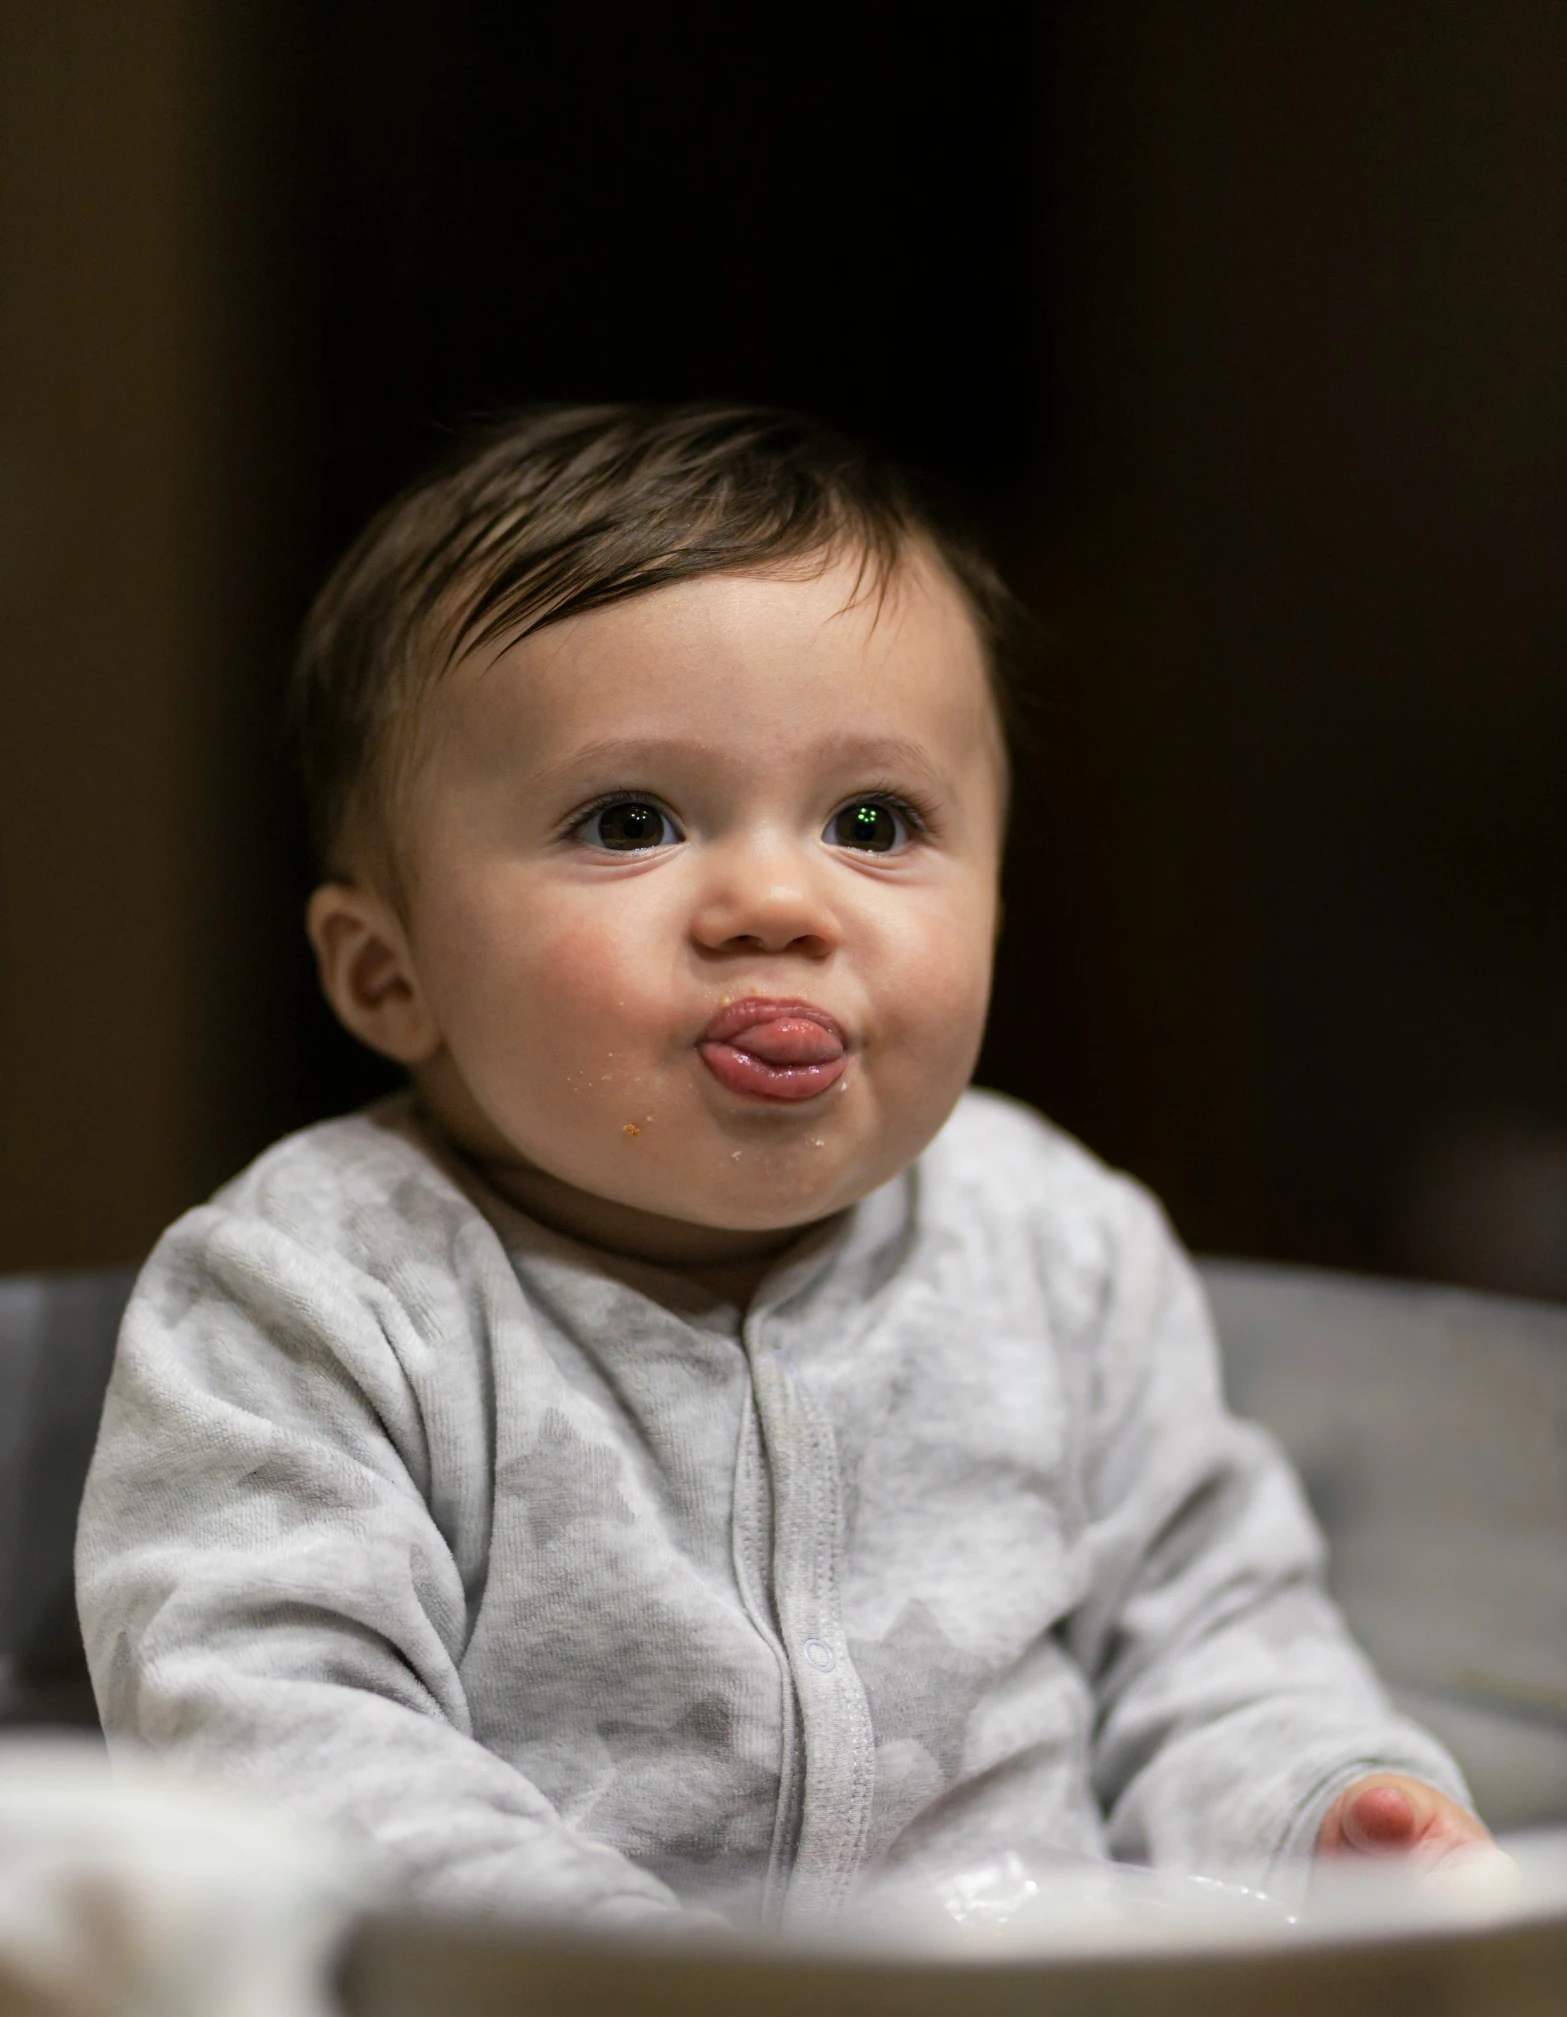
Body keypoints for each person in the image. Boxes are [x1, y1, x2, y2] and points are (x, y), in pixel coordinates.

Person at [76, 405, 1488, 1930]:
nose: (774, 900)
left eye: (872, 821)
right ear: (386, 971)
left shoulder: (1054, 1247)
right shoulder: (312, 1293)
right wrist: (656, 1998)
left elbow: (1213, 1636)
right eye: (630, 821)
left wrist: (1316, 1807)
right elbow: (277, 1725)